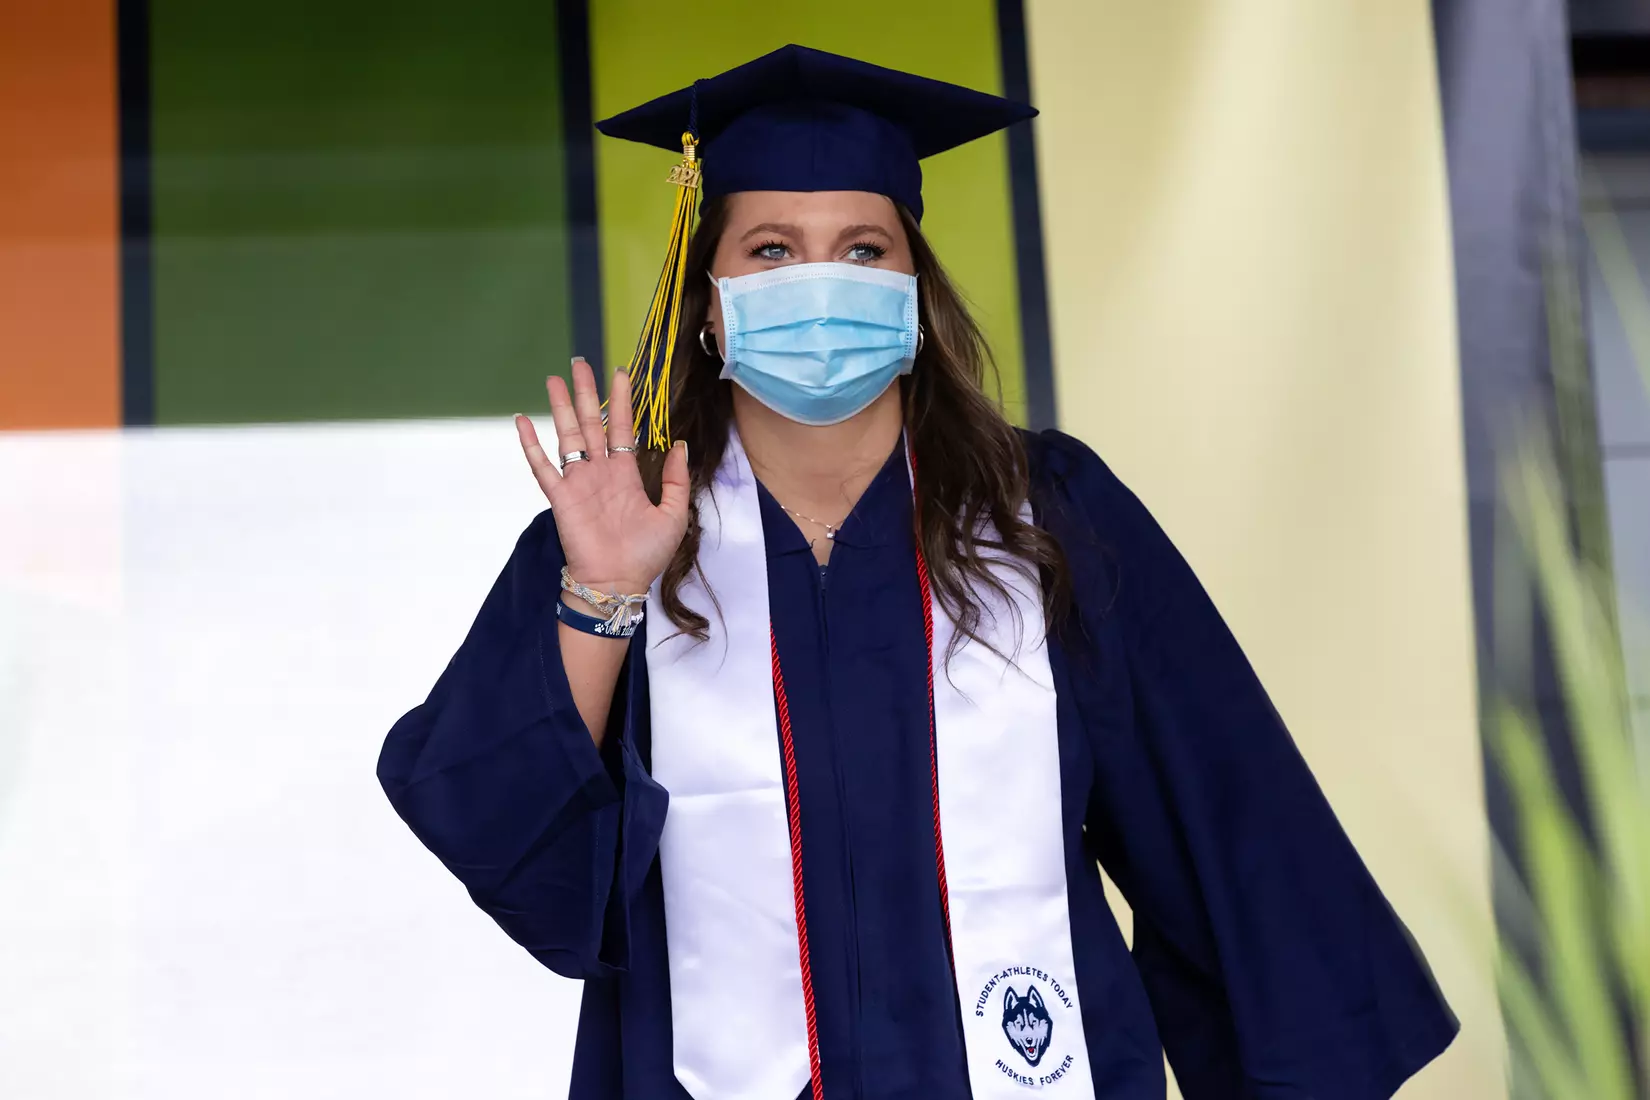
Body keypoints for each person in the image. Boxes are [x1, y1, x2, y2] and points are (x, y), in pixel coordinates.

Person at [378, 44, 1457, 1100]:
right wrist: (605, 594)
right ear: (707, 302)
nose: (818, 281)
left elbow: (1231, 821)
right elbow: (502, 829)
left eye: (863, 249)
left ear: (914, 290)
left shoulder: (1048, 516)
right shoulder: (620, 532)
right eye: (769, 250)